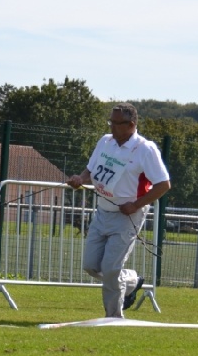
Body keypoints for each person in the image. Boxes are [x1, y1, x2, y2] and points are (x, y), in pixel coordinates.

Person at [66, 103, 171, 318]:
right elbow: (90, 170)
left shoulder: (146, 149)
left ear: (131, 125)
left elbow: (163, 184)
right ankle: (131, 280)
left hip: (128, 216)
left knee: (111, 267)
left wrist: (136, 205)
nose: (111, 127)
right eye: (110, 122)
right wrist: (80, 178)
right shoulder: (105, 142)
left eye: (116, 123)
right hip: (102, 211)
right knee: (91, 266)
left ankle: (113, 317)